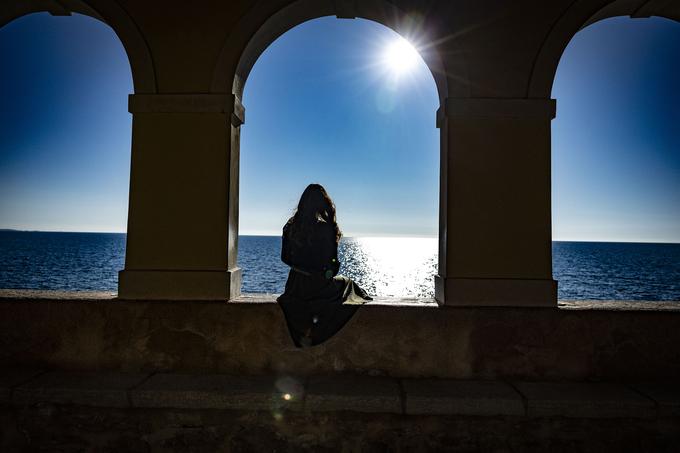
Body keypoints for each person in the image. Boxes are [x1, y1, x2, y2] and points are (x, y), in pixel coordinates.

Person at [277, 184, 372, 347]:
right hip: (318, 286)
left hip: (295, 286)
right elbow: (333, 267)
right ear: (323, 205)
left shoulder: (290, 227)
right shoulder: (326, 229)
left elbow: (285, 258)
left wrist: (302, 268)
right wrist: (322, 274)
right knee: (349, 285)